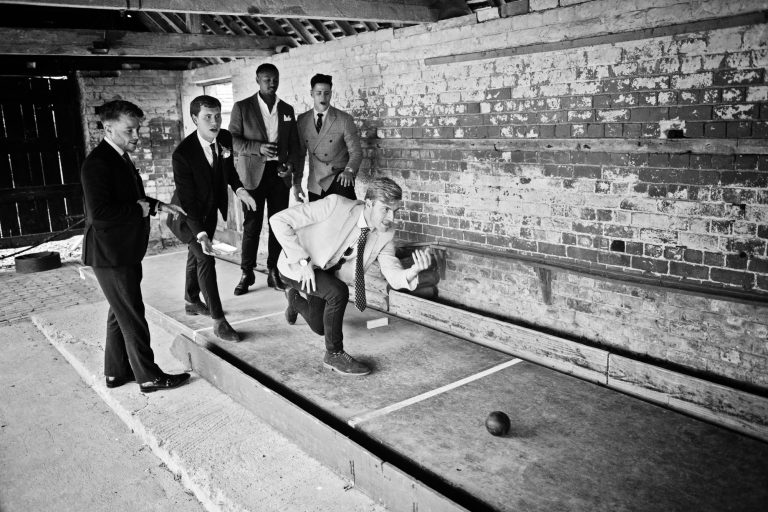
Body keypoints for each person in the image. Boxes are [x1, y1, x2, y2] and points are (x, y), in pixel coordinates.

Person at [270, 177, 432, 376]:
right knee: (337, 292)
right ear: (370, 203)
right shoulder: (336, 205)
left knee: (320, 327)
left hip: (327, 273)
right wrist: (302, 261)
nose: (392, 217)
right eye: (386, 209)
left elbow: (391, 270)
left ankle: (294, 298)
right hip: (299, 266)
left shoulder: (386, 233)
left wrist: (412, 272)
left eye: (395, 211)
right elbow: (278, 220)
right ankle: (334, 354)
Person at [81, 99, 190, 393]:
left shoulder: (119, 157)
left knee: (120, 312)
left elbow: (132, 199)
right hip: (111, 253)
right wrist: (141, 211)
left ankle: (116, 373)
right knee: (133, 315)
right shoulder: (98, 163)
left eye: (137, 129)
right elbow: (100, 214)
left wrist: (160, 206)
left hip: (124, 250)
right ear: (108, 127)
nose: (136, 136)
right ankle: (149, 377)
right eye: (130, 130)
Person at [167, 95, 257, 342]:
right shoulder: (182, 154)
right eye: (208, 117)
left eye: (218, 116)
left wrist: (240, 191)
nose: (215, 121)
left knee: (194, 256)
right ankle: (219, 321)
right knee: (205, 259)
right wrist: (202, 233)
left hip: (209, 209)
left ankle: (191, 300)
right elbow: (187, 202)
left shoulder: (225, 138)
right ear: (195, 119)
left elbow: (229, 172)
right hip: (188, 216)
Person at [229, 63, 302, 295]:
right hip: (252, 174)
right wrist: (258, 148)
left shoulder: (287, 109)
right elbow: (232, 140)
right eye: (267, 79)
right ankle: (246, 273)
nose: (272, 83)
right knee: (252, 225)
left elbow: (294, 146)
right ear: (258, 80)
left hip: (278, 175)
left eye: (275, 79)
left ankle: (274, 271)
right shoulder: (242, 107)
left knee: (277, 225)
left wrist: (290, 167)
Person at [295, 74, 362, 202]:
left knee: (347, 219)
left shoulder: (344, 119)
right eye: (318, 93)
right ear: (311, 93)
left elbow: (356, 152)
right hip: (316, 184)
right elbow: (300, 155)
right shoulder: (302, 120)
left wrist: (349, 171)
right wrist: (297, 183)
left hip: (340, 180)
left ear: (331, 94)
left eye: (327, 93)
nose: (323, 97)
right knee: (318, 221)